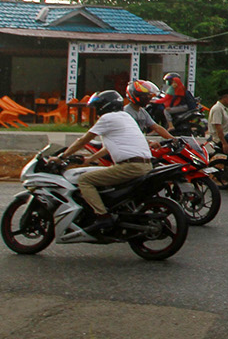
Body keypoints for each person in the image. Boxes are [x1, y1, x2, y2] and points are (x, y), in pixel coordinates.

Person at [52, 89, 154, 233]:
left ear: (105, 106)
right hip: (145, 165)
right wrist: (89, 159)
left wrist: (61, 157)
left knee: (85, 180)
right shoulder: (125, 116)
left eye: (98, 107)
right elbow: (107, 148)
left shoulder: (107, 119)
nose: (97, 111)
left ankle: (102, 216)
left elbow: (83, 140)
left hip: (130, 166)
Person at [207, 88, 228, 154]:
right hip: (221, 138)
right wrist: (224, 143)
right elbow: (218, 128)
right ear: (224, 98)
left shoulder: (224, 108)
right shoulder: (217, 109)